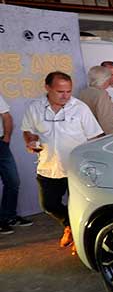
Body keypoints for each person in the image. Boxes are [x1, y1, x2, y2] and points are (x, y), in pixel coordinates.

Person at [21, 72, 103, 248]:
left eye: (68, 91)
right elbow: (27, 130)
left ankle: (83, 241)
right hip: (48, 166)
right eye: (60, 91)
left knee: (82, 206)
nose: (65, 96)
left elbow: (96, 136)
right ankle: (70, 226)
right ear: (47, 88)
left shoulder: (80, 108)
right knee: (49, 205)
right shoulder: (34, 107)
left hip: (77, 168)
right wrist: (30, 141)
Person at [0, 93, 31, 234]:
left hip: (1, 144)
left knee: (13, 181)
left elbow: (6, 116)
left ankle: (9, 217)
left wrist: (6, 139)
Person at [78, 66, 113, 135]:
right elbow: (106, 119)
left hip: (90, 134)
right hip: (103, 135)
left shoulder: (83, 92)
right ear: (105, 79)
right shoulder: (102, 94)